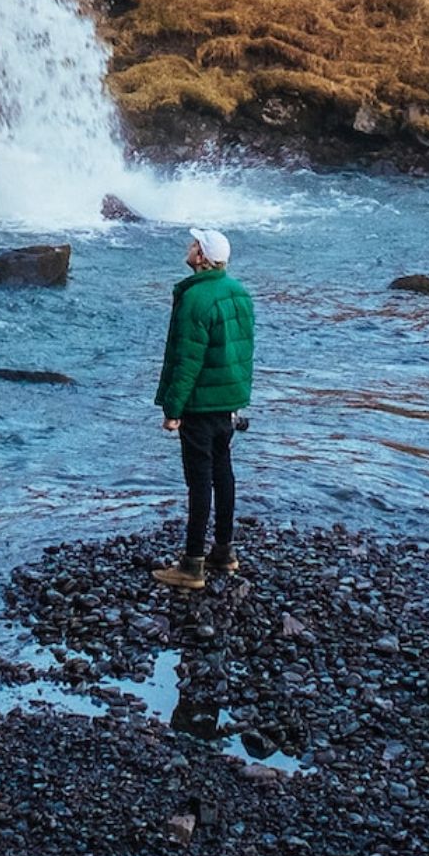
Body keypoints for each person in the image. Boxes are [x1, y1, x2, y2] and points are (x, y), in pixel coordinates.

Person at [153, 226, 255, 590]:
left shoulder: (196, 300)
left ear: (204, 258)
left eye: (195, 244)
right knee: (223, 473)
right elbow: (243, 351)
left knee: (198, 481)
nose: (189, 247)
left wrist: (173, 410)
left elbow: (188, 360)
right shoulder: (240, 293)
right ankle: (224, 553)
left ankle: (192, 564)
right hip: (228, 401)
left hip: (199, 404)